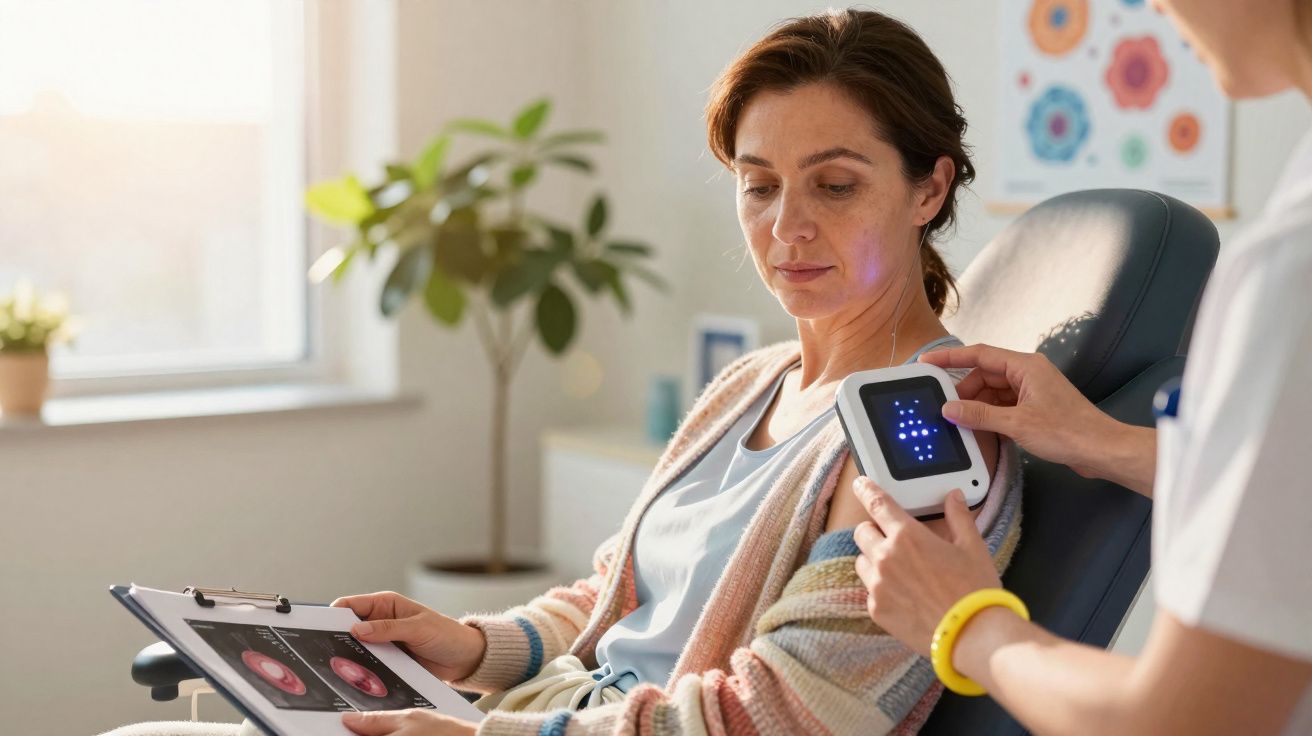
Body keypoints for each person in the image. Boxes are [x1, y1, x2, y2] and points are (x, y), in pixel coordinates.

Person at [328, 9, 1023, 736]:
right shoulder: (750, 385)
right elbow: (624, 596)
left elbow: (783, 715)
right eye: (759, 186)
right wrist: (471, 647)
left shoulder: (927, 440)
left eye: (836, 185)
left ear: (928, 191)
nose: (787, 227)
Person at [850, 1, 1312, 733]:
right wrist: (1099, 441)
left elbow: (1181, 722)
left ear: (929, 191)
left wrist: (967, 623)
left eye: (838, 185)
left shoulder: (1294, 274)